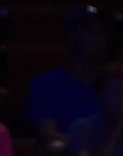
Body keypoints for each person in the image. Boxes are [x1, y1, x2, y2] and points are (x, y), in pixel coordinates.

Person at [29, 7, 110, 144]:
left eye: (101, 32)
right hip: (70, 155)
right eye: (90, 31)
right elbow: (48, 135)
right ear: (72, 36)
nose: (97, 37)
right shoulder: (47, 86)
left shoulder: (114, 85)